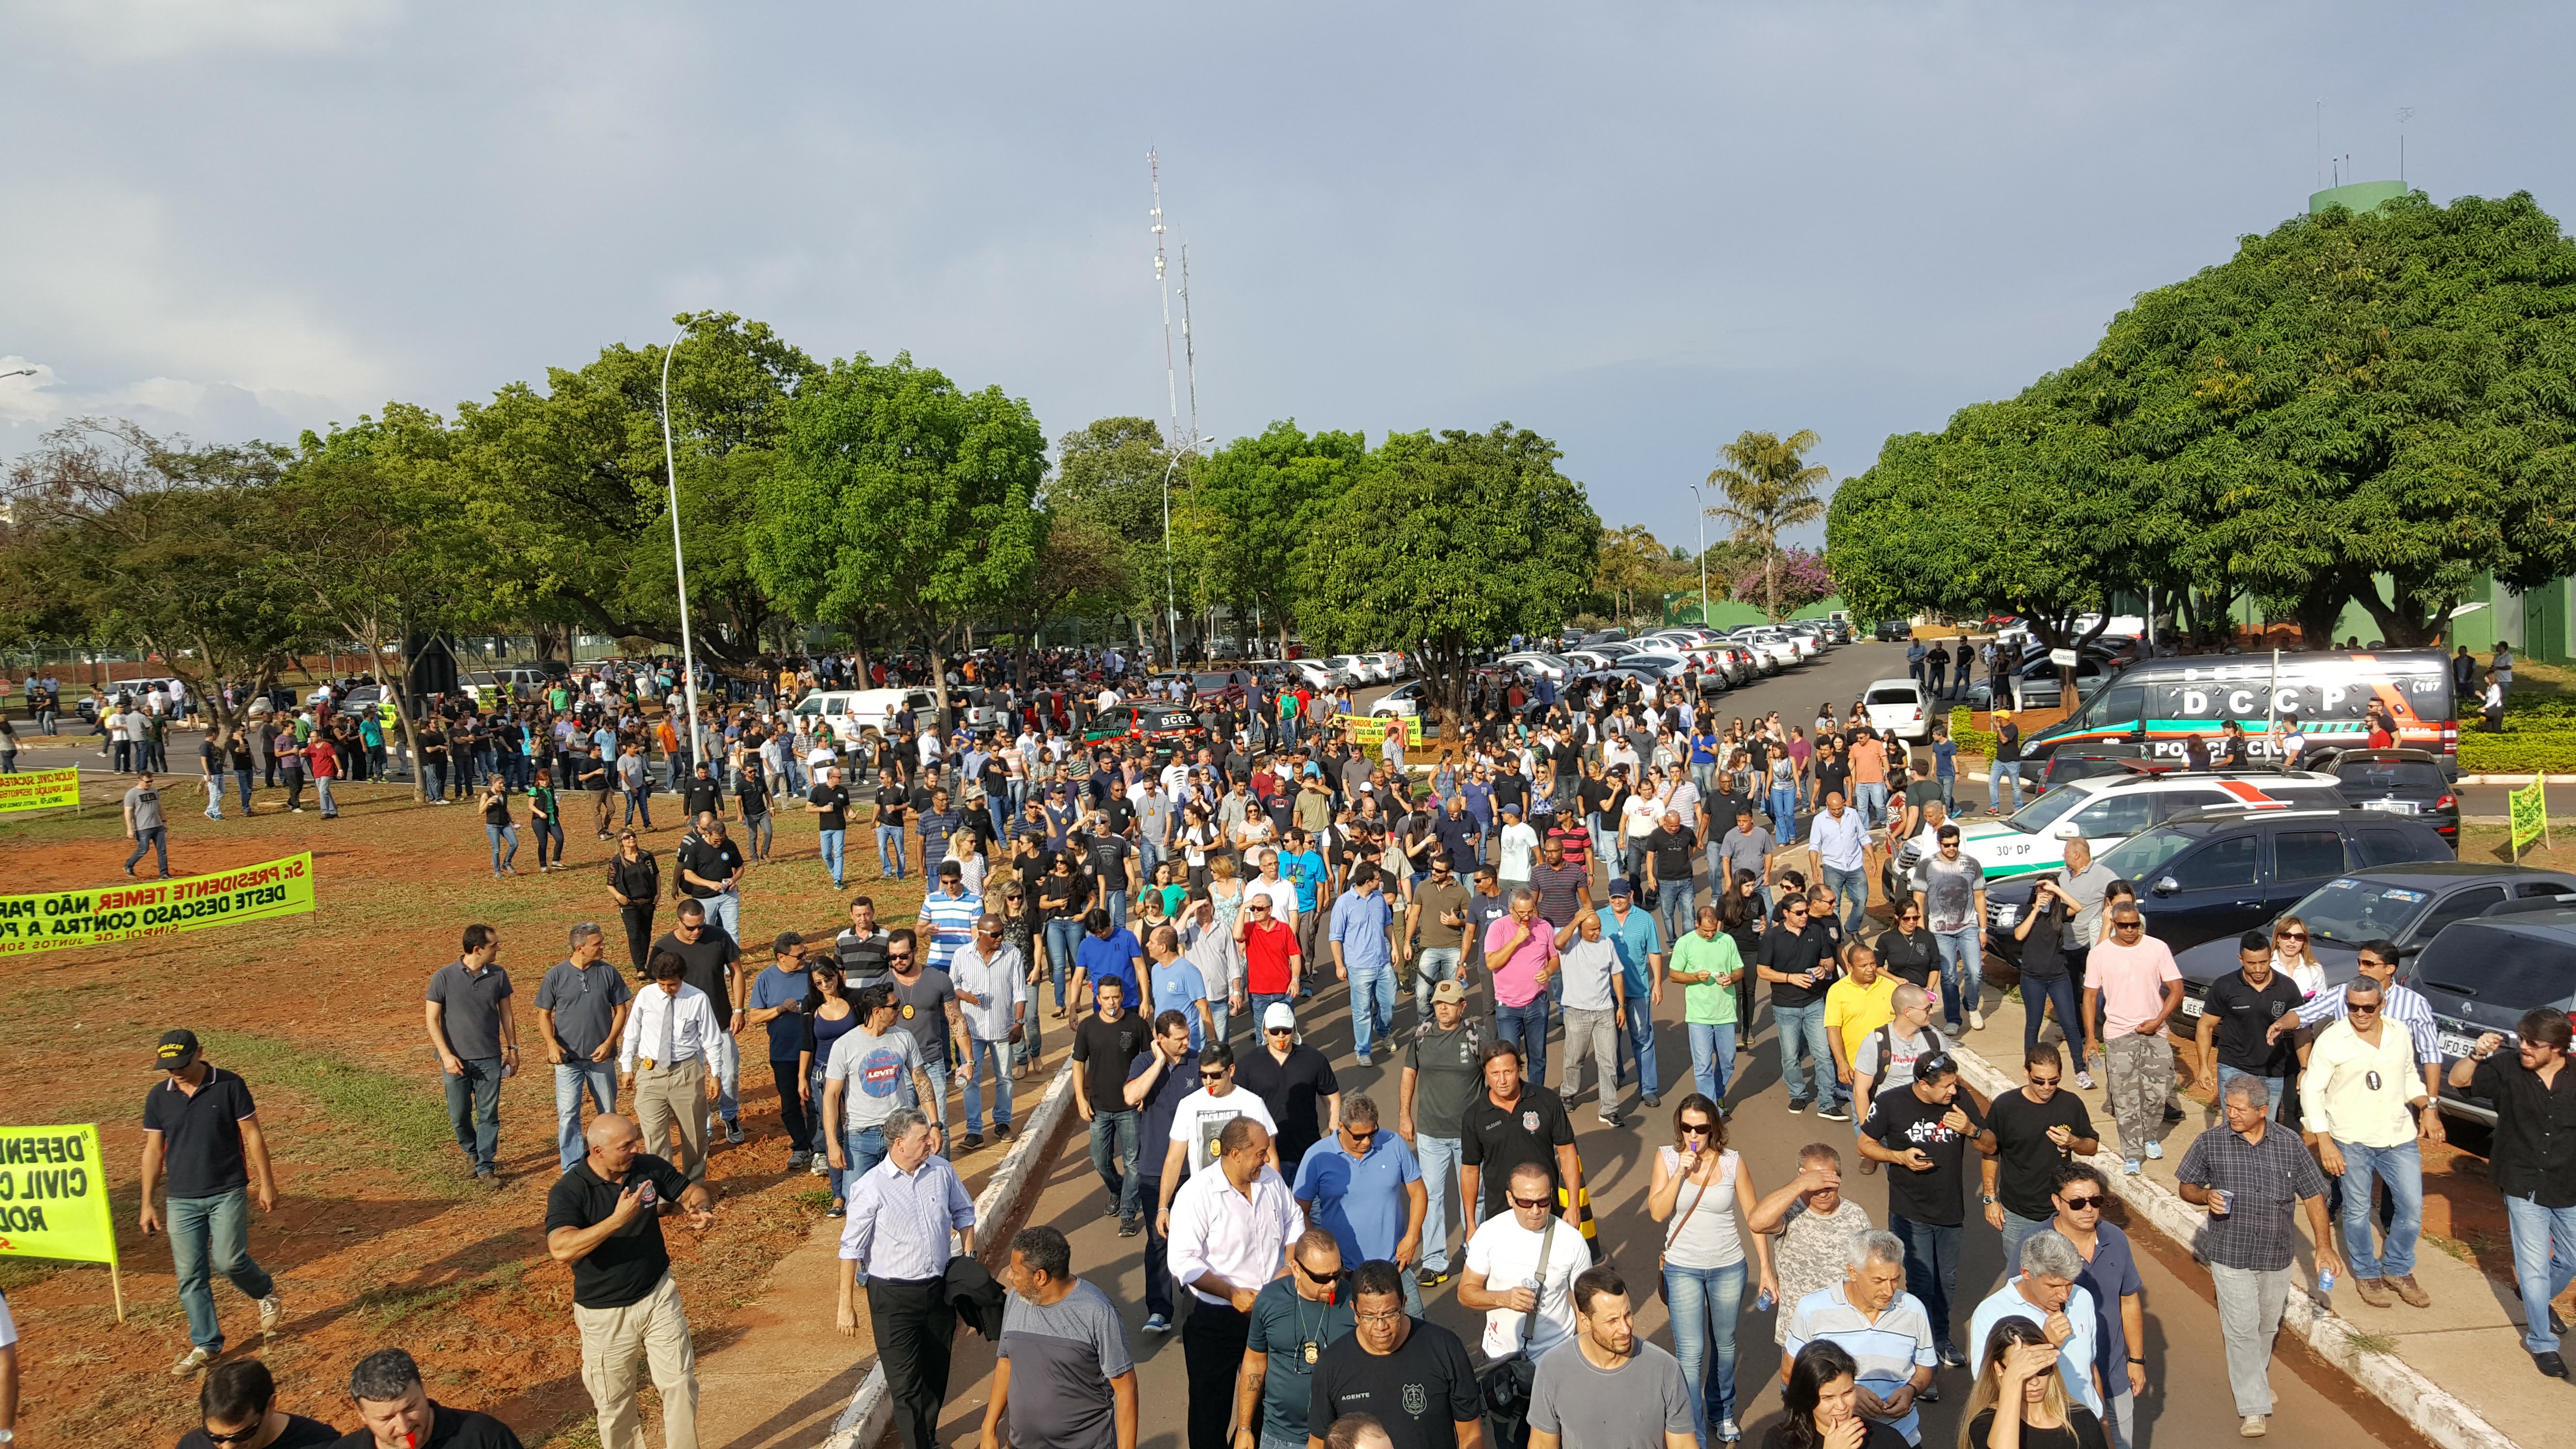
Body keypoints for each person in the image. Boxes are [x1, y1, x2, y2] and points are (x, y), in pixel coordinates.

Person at [2174, 1077, 2339, 1436]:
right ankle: (2252, 1407)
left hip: (2276, 1256)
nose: (2230, 1113)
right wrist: (2205, 1196)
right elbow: (2186, 1185)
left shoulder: (2290, 1144)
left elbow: (2313, 1196)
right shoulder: (2211, 1143)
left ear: (2263, 1111)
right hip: (2230, 1253)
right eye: (2227, 1106)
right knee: (2242, 1330)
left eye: (2239, 1109)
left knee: (2266, 1325)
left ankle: (2254, 1382)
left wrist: (2324, 1247)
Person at [544, 1113, 715, 1449]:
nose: (636, 1149)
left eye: (636, 1141)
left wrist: (700, 1207)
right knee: (615, 1404)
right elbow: (560, 1249)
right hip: (604, 1314)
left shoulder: (646, 1168)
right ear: (598, 1151)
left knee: (680, 1382)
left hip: (657, 1294)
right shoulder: (571, 1191)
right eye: (626, 1146)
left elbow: (690, 1192)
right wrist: (616, 1221)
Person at [142, 1029, 283, 1377]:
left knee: (229, 1259)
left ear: (200, 1053)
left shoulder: (230, 1085)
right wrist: (147, 1202)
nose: (174, 1071)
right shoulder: (159, 1097)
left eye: (181, 1063)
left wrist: (268, 1184)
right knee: (190, 1275)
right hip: (181, 1199)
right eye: (168, 1066)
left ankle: (265, 1290)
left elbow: (252, 1135)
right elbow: (152, 1151)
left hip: (227, 1190)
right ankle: (206, 1344)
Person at [837, 1108, 977, 1449]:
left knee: (935, 1374)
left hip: (938, 1291)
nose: (931, 1142)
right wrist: (845, 1305)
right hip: (892, 1299)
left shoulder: (942, 1171)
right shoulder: (870, 1188)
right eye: (923, 1138)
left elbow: (964, 1212)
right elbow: (850, 1249)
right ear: (899, 1144)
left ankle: (927, 1437)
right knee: (905, 1385)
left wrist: (969, 1259)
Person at [2299, 974, 2438, 1309]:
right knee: (2357, 1210)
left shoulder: (2399, 1033)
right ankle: (2367, 1273)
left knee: (2412, 1208)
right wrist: (2325, 1141)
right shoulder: (2332, 1040)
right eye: (2353, 1007)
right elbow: (2313, 1092)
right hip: (2350, 1139)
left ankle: (2398, 1268)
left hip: (2399, 1136)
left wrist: (2427, 1106)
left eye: (2367, 1008)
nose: (2360, 1014)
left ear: (2382, 1005)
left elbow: (2408, 1076)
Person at [2450, 1013, 2576, 1377]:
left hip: (2568, 1184)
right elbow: (2460, 1081)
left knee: (2570, 1260)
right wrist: (2475, 1056)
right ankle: (2542, 1342)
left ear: (2556, 1049)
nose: (2524, 1047)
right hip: (2522, 1182)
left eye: (2533, 1044)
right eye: (2521, 1039)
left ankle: (2535, 1297)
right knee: (2533, 1267)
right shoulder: (2507, 1067)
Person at [1648, 1095, 1775, 1445]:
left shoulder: (1733, 1163)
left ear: (1713, 1129)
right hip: (1682, 1267)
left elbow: (1756, 1218)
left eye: (1701, 1128)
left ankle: (1722, 1411)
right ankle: (1693, 1431)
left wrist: (1766, 1269)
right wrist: (1680, 1174)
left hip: (1727, 1267)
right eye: (1686, 1126)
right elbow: (1658, 1212)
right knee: (1690, 1354)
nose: (1694, 1134)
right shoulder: (1667, 1158)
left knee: (1726, 1345)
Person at [1173, 1117, 1305, 1449]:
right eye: (1261, 1153)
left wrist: (1290, 1265)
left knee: (1268, 1400)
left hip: (1269, 1311)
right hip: (1214, 1318)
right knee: (1210, 1408)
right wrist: (1232, 1293)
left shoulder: (1271, 1181)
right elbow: (1183, 1262)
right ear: (1235, 1153)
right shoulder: (1196, 1195)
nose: (1267, 1159)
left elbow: (1294, 1221)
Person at [1857, 1052, 1986, 1369]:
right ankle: (1920, 1346)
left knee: (1946, 1283)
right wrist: (1900, 1158)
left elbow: (1991, 1145)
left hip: (1951, 1211)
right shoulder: (1891, 1103)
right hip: (1909, 1211)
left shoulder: (1961, 1100)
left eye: (1955, 1084)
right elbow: (1865, 1144)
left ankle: (1941, 1338)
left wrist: (1971, 1129)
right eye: (1946, 1086)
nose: (1952, 1092)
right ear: (1923, 1085)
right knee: (1920, 1282)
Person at [985, 1225, 1140, 1449]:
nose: (1009, 1277)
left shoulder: (1097, 1312)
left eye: (1015, 1272)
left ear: (1040, 1277)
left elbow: (1126, 1389)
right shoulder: (1015, 1302)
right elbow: (1006, 1364)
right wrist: (988, 1429)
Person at [1306, 1259, 1486, 1449]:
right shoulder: (1332, 1364)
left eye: (1390, 1314)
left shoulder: (1444, 1347)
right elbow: (1318, 1443)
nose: (1380, 1326)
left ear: (1405, 1304)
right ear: (1354, 1310)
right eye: (1369, 1316)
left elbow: (1470, 1436)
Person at [1778, 1236, 1936, 1449]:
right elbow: (1790, 1375)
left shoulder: (1914, 1310)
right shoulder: (1812, 1309)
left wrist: (1912, 1389)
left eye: (1895, 1280)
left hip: (1902, 1438)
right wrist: (1847, 1393)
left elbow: (1925, 1366)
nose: (1889, 1291)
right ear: (1853, 1273)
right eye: (1879, 1281)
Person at [1527, 1265, 1697, 1449]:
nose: (1625, 1329)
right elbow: (1542, 1444)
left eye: (1628, 1315)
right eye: (1612, 1321)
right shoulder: (1553, 1368)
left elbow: (1683, 1445)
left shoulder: (1666, 1368)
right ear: (1585, 1321)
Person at [1295, 1094, 1429, 1314]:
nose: (1367, 1142)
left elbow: (1419, 1192)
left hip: (1395, 1264)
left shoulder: (1393, 1143)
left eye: (1372, 1133)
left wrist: (1412, 1238)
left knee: (1415, 1329)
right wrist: (1325, 1257)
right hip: (1342, 1274)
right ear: (1340, 1127)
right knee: (1349, 1339)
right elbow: (1300, 1212)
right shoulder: (1317, 1156)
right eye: (1359, 1136)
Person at [2043, 1166, 2144, 1449]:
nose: (2088, 1209)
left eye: (2096, 1201)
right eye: (2077, 1203)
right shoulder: (2036, 1246)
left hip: (2113, 1373)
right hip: (2062, 1383)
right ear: (2057, 1202)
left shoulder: (2116, 1239)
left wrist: (2136, 1360)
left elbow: (2129, 1300)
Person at [1976, 1047, 2097, 1271]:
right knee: (2020, 1276)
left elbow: (2091, 1146)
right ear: (2025, 1072)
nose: (2047, 1087)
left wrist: (2074, 1142)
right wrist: (1990, 1199)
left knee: (2063, 1276)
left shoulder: (2071, 1104)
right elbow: (1990, 1152)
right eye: (2039, 1081)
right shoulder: (2006, 1107)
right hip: (2016, 1213)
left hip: (2062, 1212)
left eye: (2054, 1081)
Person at [2081, 907, 2182, 1174]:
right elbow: (2090, 997)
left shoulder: (2157, 948)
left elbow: (2176, 989)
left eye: (2134, 925)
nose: (2129, 931)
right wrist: (2091, 1038)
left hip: (2154, 1031)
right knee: (2124, 1096)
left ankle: (2149, 1135)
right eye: (2124, 925)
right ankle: (2132, 1152)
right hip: (2118, 1033)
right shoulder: (2100, 954)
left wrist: (2158, 1020)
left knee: (2158, 1092)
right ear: (2113, 923)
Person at [1461, 1160, 1591, 1366]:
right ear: (1510, 1199)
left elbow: (1586, 1306)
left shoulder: (1572, 1240)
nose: (1536, 1210)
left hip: (1557, 1357)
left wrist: (1585, 1358)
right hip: (1499, 1357)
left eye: (1544, 1201)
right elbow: (1465, 1293)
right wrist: (1504, 1299)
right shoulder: (1490, 1233)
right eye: (1526, 1203)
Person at [1237, 1228, 1358, 1449]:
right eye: (1322, 1277)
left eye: (1337, 1274)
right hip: (1279, 1436)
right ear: (1296, 1269)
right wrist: (1244, 1428)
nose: (1332, 1285)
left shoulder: (1354, 1303)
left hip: (1340, 1437)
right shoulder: (1270, 1300)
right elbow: (1254, 1361)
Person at [1964, 1233, 2101, 1417]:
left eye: (2069, 1284)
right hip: (2035, 1430)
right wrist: (2047, 1345)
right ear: (2026, 1274)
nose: (2065, 1296)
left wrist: (2104, 1424)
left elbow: (2090, 1367)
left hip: (2088, 1425)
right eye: (2053, 1287)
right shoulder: (1991, 1313)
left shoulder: (2083, 1298)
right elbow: (1988, 1387)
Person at [536, 923, 635, 1174]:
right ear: (580, 948)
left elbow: (621, 1009)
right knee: (569, 1113)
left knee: (608, 1112)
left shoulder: (608, 973)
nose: (603, 947)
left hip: (601, 1058)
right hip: (568, 1061)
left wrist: (610, 1042)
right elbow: (544, 1013)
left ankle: (609, 1161)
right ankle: (571, 1166)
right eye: (597, 944)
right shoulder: (556, 976)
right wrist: (551, 1044)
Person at [619, 950, 726, 1181]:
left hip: (686, 1072)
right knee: (654, 1134)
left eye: (673, 985)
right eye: (662, 984)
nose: (668, 989)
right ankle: (662, 1188)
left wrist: (715, 1074)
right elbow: (632, 1032)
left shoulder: (697, 999)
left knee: (694, 1135)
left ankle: (693, 1186)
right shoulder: (646, 996)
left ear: (682, 979)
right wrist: (627, 1066)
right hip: (650, 1072)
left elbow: (712, 1039)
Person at [823, 983, 941, 1192]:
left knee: (905, 1196)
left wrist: (935, 1124)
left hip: (900, 1135)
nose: (900, 1010)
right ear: (877, 1012)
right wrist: (833, 1144)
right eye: (894, 1006)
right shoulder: (845, 1045)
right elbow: (831, 1096)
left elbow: (921, 1080)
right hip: (860, 1137)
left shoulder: (904, 1038)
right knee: (858, 1202)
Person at [1403, 980, 1483, 1288]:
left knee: (1475, 1198)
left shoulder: (1476, 1036)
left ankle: (1475, 1254)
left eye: (1449, 1004)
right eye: (1438, 1004)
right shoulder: (1422, 1035)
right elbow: (1409, 1074)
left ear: (1463, 1007)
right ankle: (1436, 1262)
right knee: (1431, 1196)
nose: (1443, 1009)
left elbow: (1493, 1074)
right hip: (1430, 1132)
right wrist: (1404, 1116)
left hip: (1470, 1135)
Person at [425, 924, 517, 1187]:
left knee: (489, 1114)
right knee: (459, 1115)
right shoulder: (443, 977)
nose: (498, 949)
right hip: (455, 1060)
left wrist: (513, 1049)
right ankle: (472, 1153)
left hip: (489, 1057)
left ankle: (486, 1166)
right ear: (478, 950)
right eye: (494, 946)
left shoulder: (499, 976)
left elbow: (507, 1015)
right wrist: (446, 1055)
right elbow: (432, 1020)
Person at [1128, 1010, 1203, 1334]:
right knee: (1159, 1240)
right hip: (1154, 1168)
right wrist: (1159, 1062)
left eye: (1188, 1036)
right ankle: (1160, 1310)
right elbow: (1131, 1096)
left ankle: (1198, 1298)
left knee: (1198, 1238)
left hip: (1195, 1170)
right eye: (1180, 1039)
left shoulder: (1199, 1063)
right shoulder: (1144, 1063)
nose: (1187, 1042)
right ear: (1161, 1039)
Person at [652, 900, 747, 1148]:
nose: (696, 932)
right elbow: (658, 990)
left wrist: (738, 1009)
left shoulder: (719, 937)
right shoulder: (663, 947)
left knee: (729, 1073)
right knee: (693, 1081)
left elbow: (737, 971)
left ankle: (729, 1115)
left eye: (701, 926)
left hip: (719, 1019)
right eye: (691, 927)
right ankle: (703, 1125)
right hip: (682, 1029)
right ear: (679, 921)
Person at [1460, 1042, 1583, 1230]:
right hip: (1500, 1218)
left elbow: (1567, 1153)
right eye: (1495, 1074)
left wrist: (1574, 1205)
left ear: (1519, 1069)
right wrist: (1471, 1224)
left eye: (1508, 1072)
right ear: (1485, 1072)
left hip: (1544, 1209)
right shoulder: (1474, 1115)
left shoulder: (1547, 1101)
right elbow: (1470, 1170)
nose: (1502, 1080)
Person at [2196, 931, 2303, 1126]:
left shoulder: (2287, 988)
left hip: (2273, 1071)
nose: (2258, 969)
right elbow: (2206, 1026)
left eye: (2263, 962)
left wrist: (2304, 1067)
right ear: (2241, 959)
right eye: (2251, 963)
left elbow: (2302, 1028)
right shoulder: (2225, 986)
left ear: (2271, 957)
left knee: (2264, 1127)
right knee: (2235, 1124)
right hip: (2233, 1067)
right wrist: (2204, 1067)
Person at [1075, 975, 1156, 1231]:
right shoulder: (1087, 1027)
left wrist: (1145, 1094)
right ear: (1097, 999)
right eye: (1106, 997)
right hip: (1099, 1108)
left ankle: (1128, 1214)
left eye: (1116, 997)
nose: (1111, 1002)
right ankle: (1118, 1189)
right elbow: (1079, 1064)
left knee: (1133, 1162)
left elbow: (1151, 1062)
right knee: (1100, 1160)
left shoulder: (1137, 1025)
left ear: (1123, 997)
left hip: (1130, 1109)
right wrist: (1080, 1098)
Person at [1958, 1318, 2108, 1449]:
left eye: (2043, 1369)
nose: (2035, 1381)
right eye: (2024, 1373)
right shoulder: (1986, 1424)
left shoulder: (2082, 1417)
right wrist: (2013, 1380)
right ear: (1999, 1369)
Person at [329, 1348, 524, 1449]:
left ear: (424, 1390)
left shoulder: (484, 1438)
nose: (404, 1427)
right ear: (362, 1415)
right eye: (386, 1419)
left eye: (410, 1408)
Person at [1759, 897, 1845, 1120]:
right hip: (1785, 1006)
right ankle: (1798, 1094)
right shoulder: (1772, 938)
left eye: (1806, 911)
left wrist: (1822, 968)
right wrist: (1790, 978)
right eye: (1799, 913)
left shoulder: (1816, 931)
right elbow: (1762, 971)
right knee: (1790, 1056)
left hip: (1815, 1002)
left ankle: (1827, 1101)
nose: (1805, 916)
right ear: (1786, 914)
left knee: (1824, 1054)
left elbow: (1829, 962)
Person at [1239, 1004, 1343, 1172]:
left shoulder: (1314, 1060)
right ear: (1265, 1030)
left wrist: (1334, 1134)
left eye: (1286, 1030)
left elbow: (1332, 1098)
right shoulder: (1248, 1065)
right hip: (1264, 1155)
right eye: (1275, 1031)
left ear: (1294, 1029)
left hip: (1307, 1150)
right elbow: (1238, 1107)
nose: (1281, 1035)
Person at [1762, 1341, 1909, 1449]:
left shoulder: (1887, 1440)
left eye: (1848, 1393)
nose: (1842, 1406)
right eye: (1828, 1398)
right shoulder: (1780, 1442)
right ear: (1806, 1397)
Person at [1912, 826, 1986, 1033]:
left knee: (1975, 972)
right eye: (1947, 845)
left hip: (1969, 926)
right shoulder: (1927, 866)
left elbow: (1980, 896)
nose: (1952, 848)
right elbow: (1919, 899)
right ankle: (1953, 1018)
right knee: (1949, 975)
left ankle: (1971, 1007)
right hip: (1939, 929)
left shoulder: (1971, 864)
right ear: (1939, 844)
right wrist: (1922, 930)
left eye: (1955, 844)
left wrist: (1983, 929)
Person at [1487, 890, 1563, 1087]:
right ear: (1511, 909)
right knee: (1509, 1058)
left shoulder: (1544, 926)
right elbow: (1492, 963)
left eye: (1531, 911)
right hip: (1508, 1006)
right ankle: (1513, 1096)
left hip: (1537, 1003)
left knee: (1538, 1057)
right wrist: (1516, 940)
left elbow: (1555, 958)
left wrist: (1548, 971)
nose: (1528, 917)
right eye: (1522, 913)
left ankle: (1535, 1096)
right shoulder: (1498, 928)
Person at [177, 1358, 342, 1449]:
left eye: (241, 1435)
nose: (228, 1448)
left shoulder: (322, 1444)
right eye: (215, 1437)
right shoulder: (193, 1445)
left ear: (270, 1406)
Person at [1332, 865, 1401, 1065]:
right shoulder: (1344, 903)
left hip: (1382, 962)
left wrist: (1394, 948)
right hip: (1358, 966)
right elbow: (1335, 937)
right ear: (1368, 882)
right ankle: (1363, 1050)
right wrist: (1339, 965)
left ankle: (1383, 1031)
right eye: (1378, 879)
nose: (1382, 882)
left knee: (1389, 1005)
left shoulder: (1379, 898)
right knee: (1361, 1011)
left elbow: (1388, 923)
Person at [1407, 853, 1476, 1020]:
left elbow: (1471, 922)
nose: (1434, 873)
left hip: (1453, 948)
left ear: (1450, 872)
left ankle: (1451, 1028)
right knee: (1422, 995)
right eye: (1433, 868)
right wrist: (1407, 942)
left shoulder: (1462, 892)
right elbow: (1414, 916)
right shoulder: (1423, 887)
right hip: (1427, 947)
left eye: (1439, 871)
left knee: (1453, 995)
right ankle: (1425, 1027)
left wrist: (1457, 922)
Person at [608, 831, 661, 972]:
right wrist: (619, 897)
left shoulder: (646, 856)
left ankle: (644, 962)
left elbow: (656, 874)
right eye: (627, 837)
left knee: (646, 933)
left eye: (633, 836)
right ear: (621, 842)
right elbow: (610, 884)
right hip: (629, 904)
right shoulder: (617, 862)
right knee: (634, 935)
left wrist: (658, 893)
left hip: (648, 902)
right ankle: (640, 968)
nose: (631, 839)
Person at [810, 764, 853, 888]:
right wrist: (822, 809)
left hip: (839, 826)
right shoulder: (819, 790)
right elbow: (808, 808)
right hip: (825, 827)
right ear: (831, 778)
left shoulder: (843, 791)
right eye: (839, 777)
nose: (841, 780)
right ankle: (835, 873)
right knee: (826, 855)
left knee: (839, 853)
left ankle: (838, 879)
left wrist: (852, 814)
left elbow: (848, 808)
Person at [125, 769, 172, 878]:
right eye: (147, 782)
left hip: (157, 826)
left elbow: (159, 807)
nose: (150, 784)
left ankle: (164, 873)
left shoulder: (154, 791)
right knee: (143, 849)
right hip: (143, 828)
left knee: (162, 850)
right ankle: (129, 865)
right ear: (140, 781)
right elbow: (128, 812)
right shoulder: (132, 794)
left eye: (152, 781)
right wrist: (130, 829)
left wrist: (164, 821)